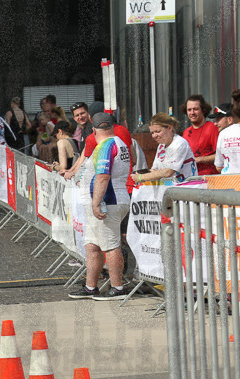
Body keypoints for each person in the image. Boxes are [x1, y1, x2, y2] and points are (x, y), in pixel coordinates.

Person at [68, 113, 132, 301]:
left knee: (111, 244)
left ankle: (118, 287)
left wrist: (96, 202)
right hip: (112, 198)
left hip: (108, 200)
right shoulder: (119, 142)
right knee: (92, 245)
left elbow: (103, 176)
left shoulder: (106, 145)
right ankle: (91, 287)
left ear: (94, 130)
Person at [132, 113, 197, 184]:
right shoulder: (161, 145)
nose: (154, 136)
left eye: (158, 131)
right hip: (170, 188)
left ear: (169, 128)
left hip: (187, 188)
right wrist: (142, 175)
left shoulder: (180, 143)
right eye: (152, 133)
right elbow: (155, 170)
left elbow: (168, 172)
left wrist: (141, 177)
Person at [180, 95, 218, 176]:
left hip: (210, 178)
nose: (192, 113)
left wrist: (200, 159)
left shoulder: (213, 128)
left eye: (196, 109)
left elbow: (221, 155)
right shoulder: (186, 132)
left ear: (203, 110)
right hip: (191, 178)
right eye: (189, 110)